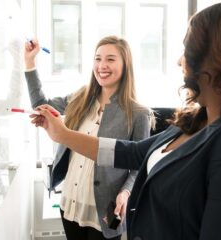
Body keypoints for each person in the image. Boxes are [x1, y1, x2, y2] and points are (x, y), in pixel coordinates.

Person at [30, 2, 221, 240]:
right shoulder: (195, 121)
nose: (178, 61)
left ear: (219, 59)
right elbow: (133, 153)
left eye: (187, 49)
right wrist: (62, 135)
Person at [24, 36, 152, 240]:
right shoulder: (80, 97)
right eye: (98, 58)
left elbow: (140, 164)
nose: (102, 65)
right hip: (71, 203)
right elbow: (41, 104)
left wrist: (126, 192)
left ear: (125, 64)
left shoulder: (138, 113)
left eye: (110, 59)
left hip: (104, 211)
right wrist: (30, 62)